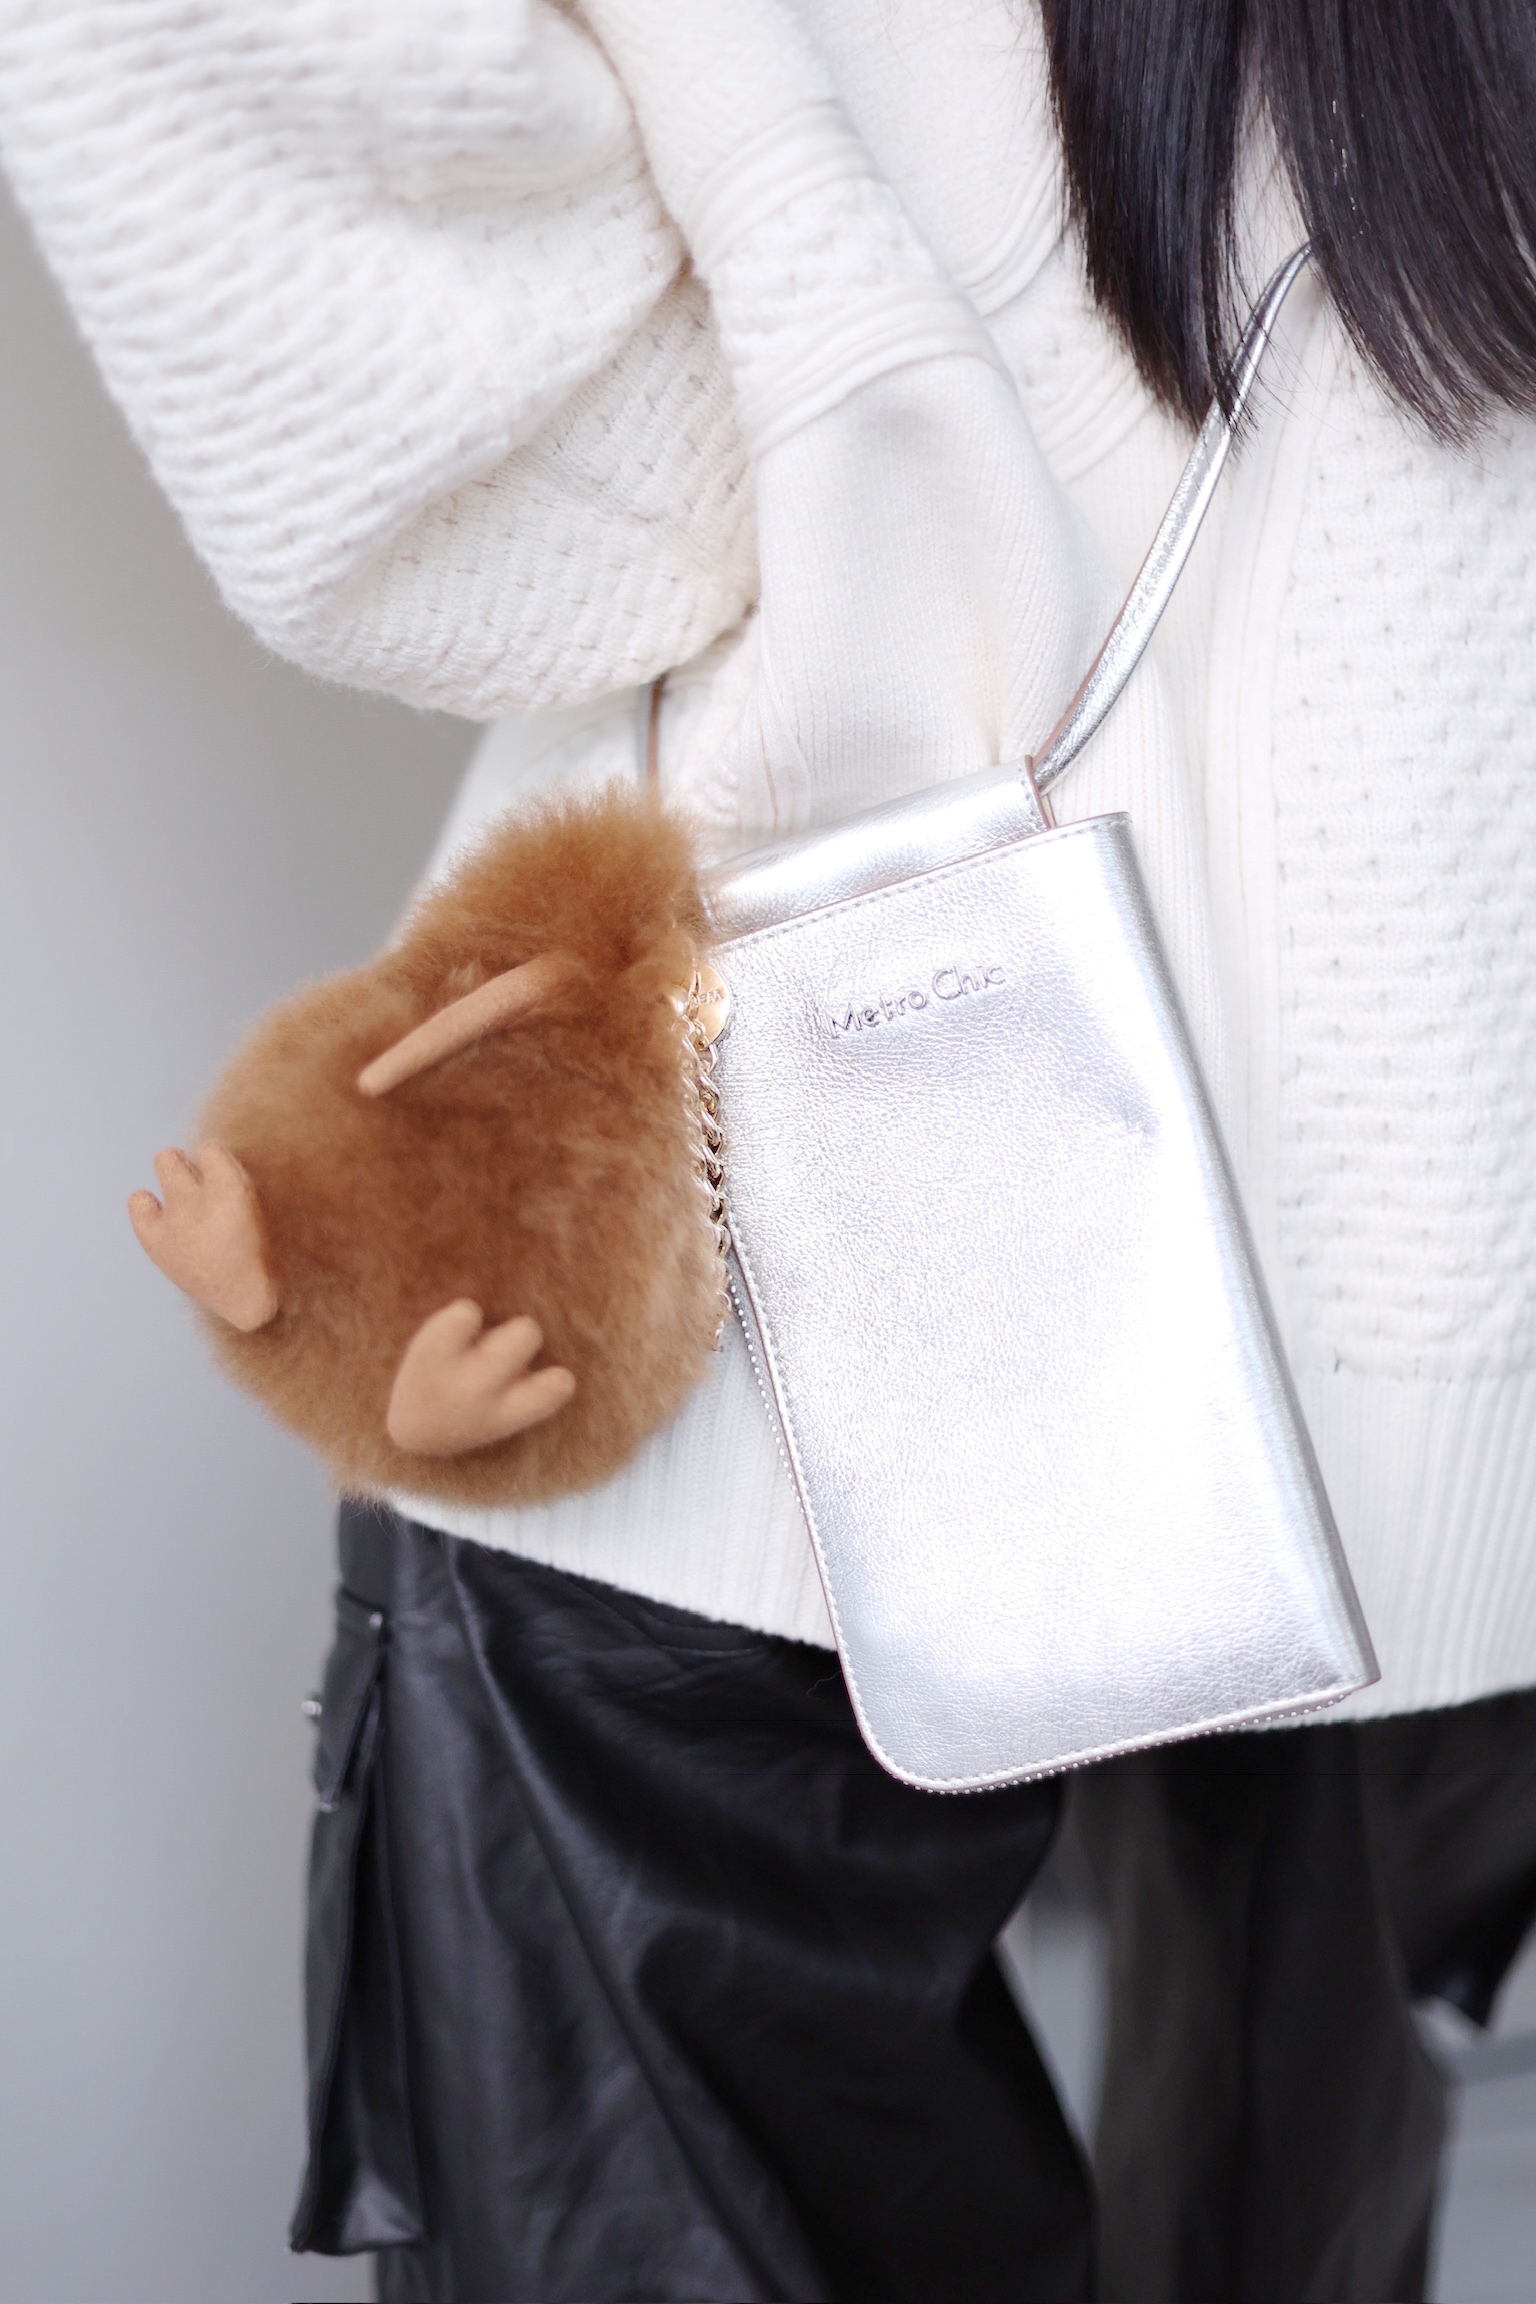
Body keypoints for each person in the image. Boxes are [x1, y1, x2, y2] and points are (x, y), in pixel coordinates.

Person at [1, 1, 1533, 2297]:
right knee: (1294, 2199)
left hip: (743, 1383)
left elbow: (518, 521)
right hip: (1434, 1379)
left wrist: (725, 83)